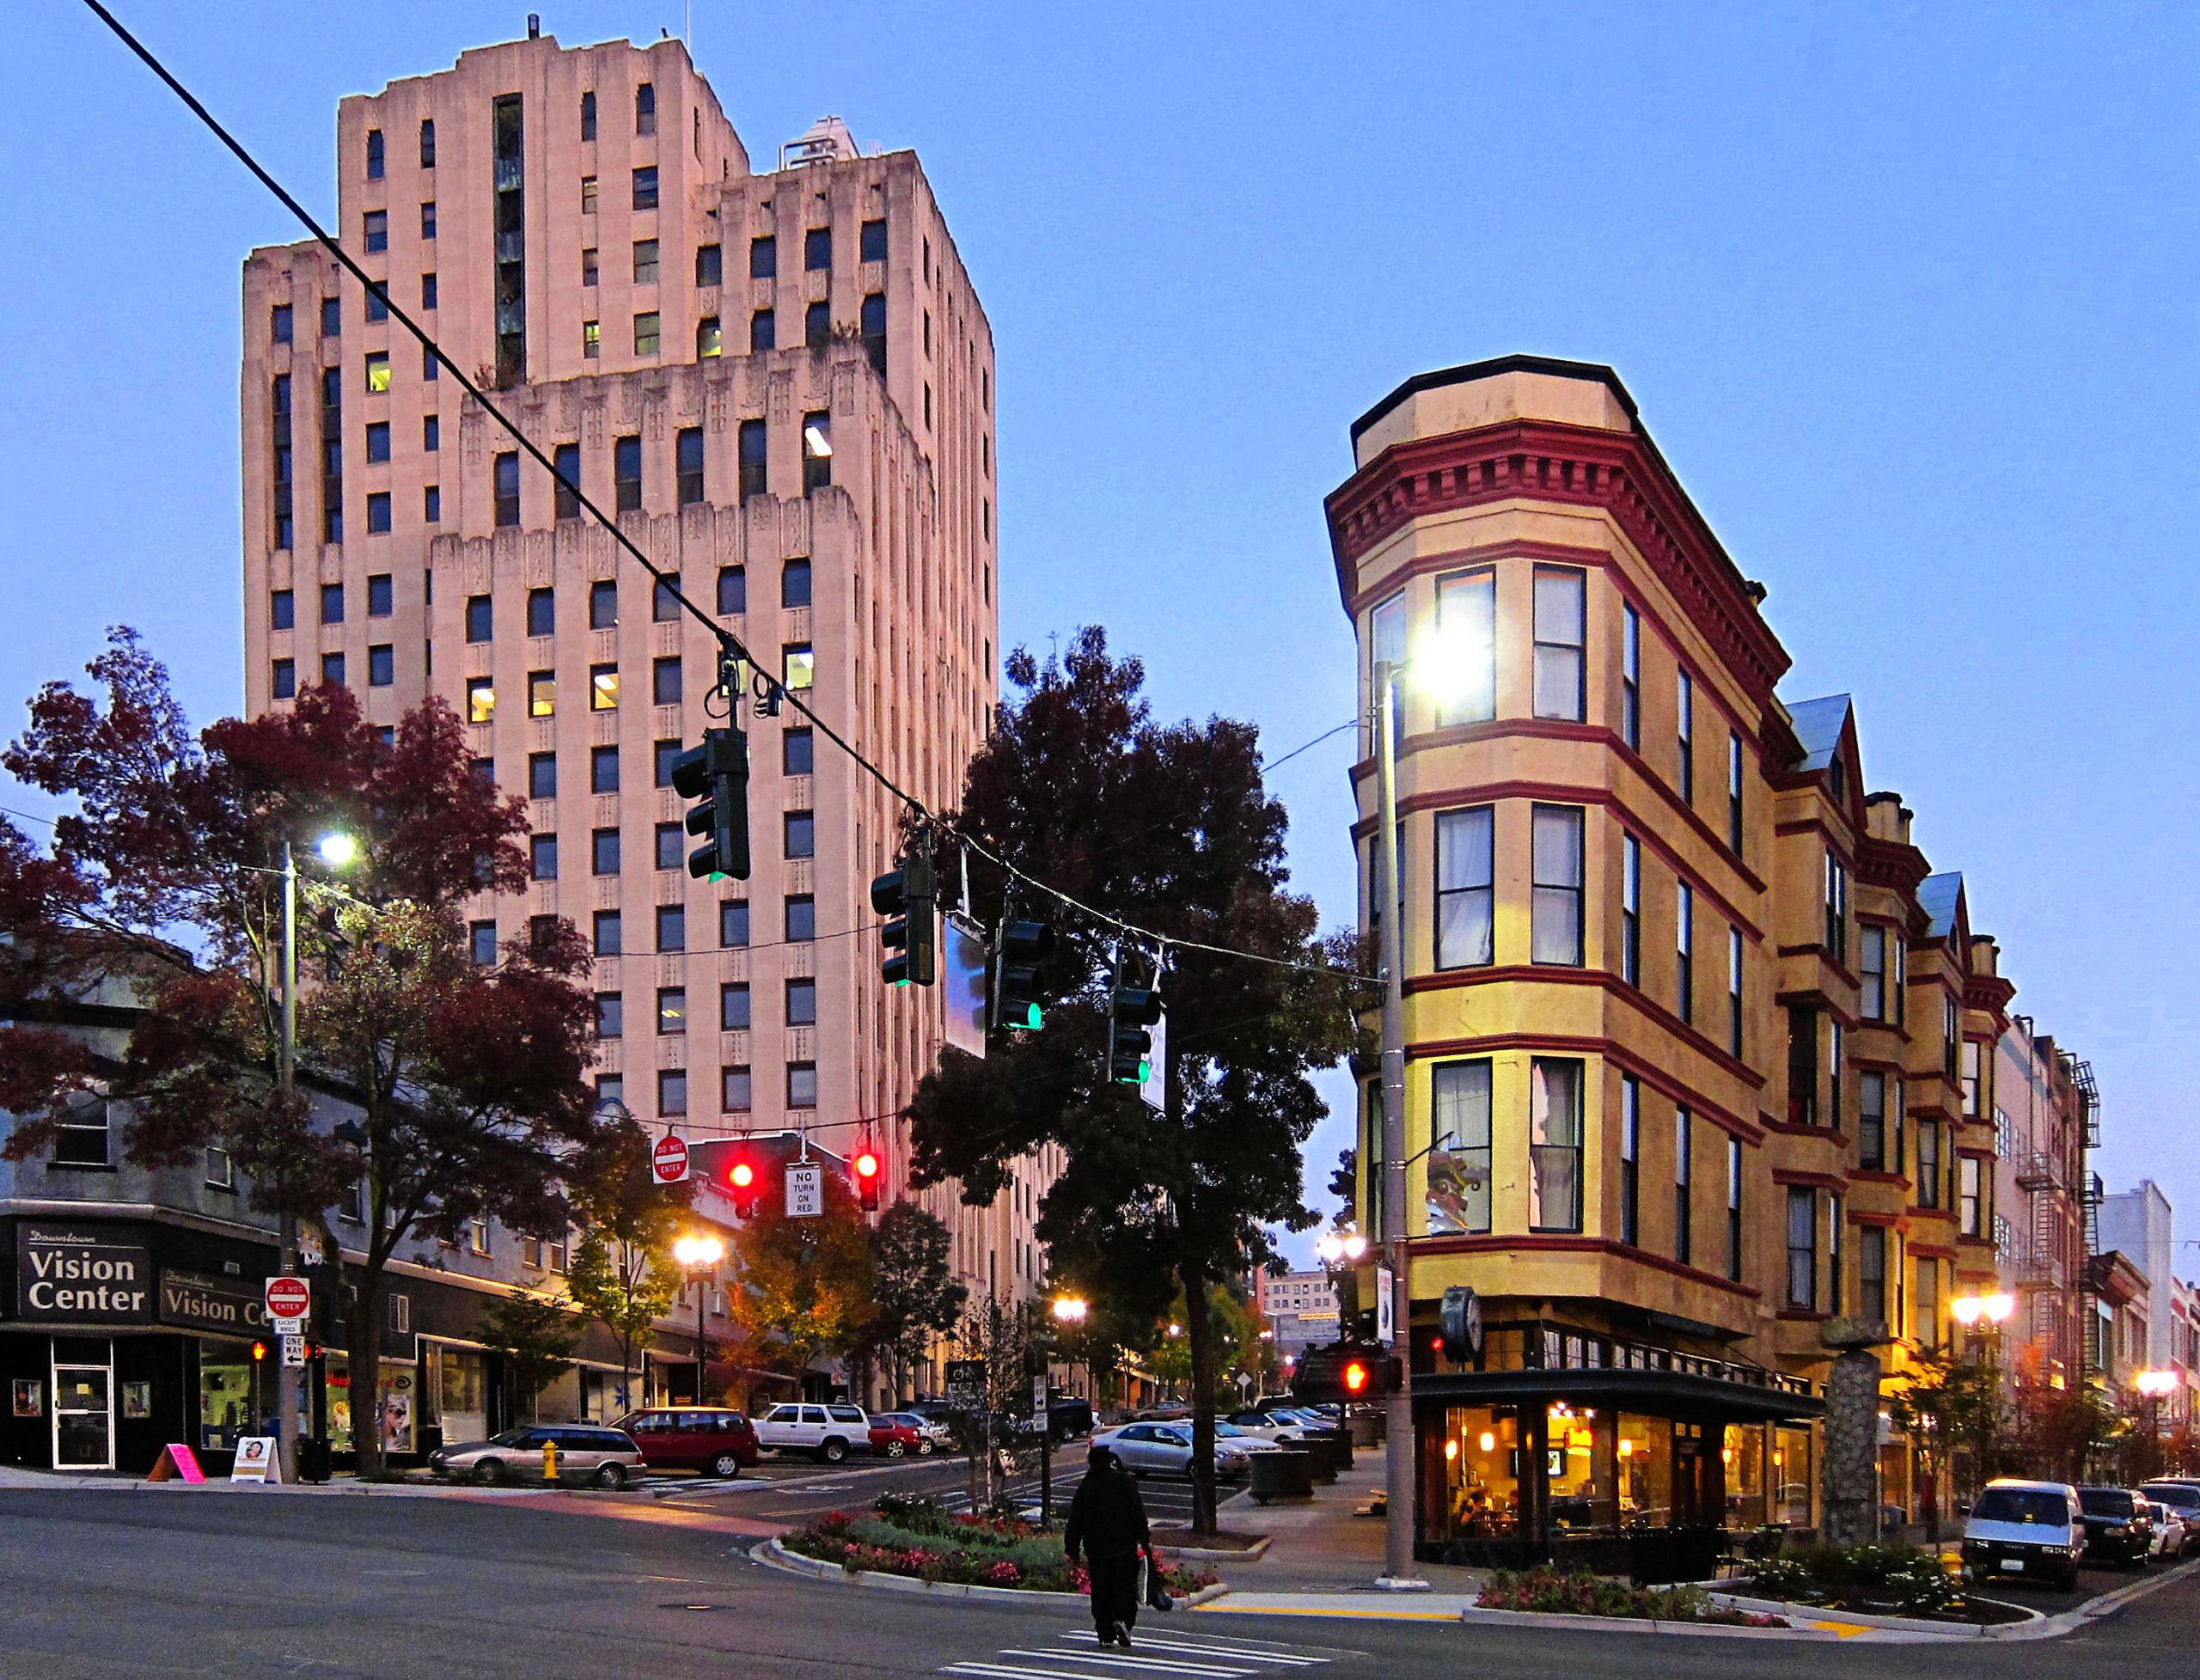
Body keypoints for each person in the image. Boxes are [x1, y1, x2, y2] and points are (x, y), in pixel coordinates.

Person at [1063, 1445, 1151, 1648]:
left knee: (1101, 1590)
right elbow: (1137, 1511)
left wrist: (1072, 1549)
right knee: (1124, 1586)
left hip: (1097, 1548)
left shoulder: (1086, 1487)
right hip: (1124, 1544)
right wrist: (1144, 1538)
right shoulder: (1125, 1481)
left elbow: (1076, 1521)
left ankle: (1105, 1633)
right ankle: (1123, 1620)